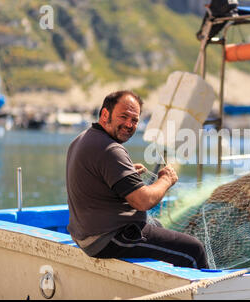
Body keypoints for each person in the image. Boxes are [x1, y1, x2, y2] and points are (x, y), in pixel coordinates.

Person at [66, 90, 208, 269]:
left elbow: (95, 178)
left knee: (156, 225)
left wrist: (127, 173)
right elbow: (143, 201)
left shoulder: (82, 139)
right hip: (108, 238)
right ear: (105, 115)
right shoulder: (110, 149)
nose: (129, 124)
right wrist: (166, 179)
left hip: (86, 234)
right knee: (193, 249)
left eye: (134, 120)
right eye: (123, 116)